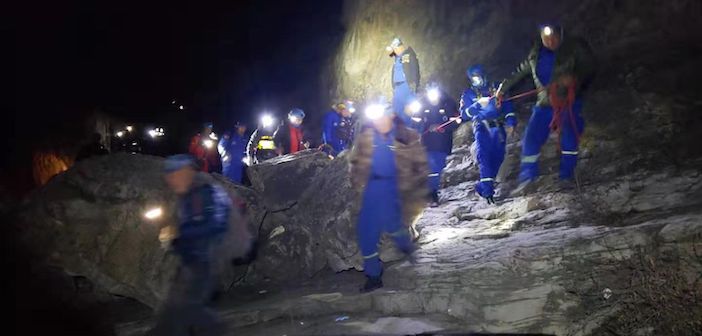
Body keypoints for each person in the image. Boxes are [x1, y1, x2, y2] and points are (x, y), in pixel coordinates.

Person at [498, 24, 596, 193]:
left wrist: (574, 78)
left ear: (560, 36)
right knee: (530, 140)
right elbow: (518, 73)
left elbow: (589, 67)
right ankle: (528, 179)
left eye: (553, 38)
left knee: (569, 139)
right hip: (544, 104)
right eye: (545, 38)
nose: (549, 42)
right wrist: (502, 89)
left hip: (568, 102)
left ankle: (567, 176)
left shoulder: (574, 49)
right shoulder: (535, 55)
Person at [349, 104, 428, 293]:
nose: (378, 122)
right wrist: (354, 178)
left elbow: (420, 163)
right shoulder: (367, 137)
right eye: (375, 118)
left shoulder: (405, 135)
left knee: (392, 224)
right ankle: (373, 276)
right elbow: (356, 159)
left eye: (382, 117)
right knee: (365, 230)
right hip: (372, 187)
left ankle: (406, 246)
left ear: (391, 116)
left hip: (394, 187)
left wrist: (419, 188)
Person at [151, 154, 231, 336]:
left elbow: (215, 224)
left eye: (173, 175)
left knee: (189, 310)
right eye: (168, 176)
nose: (170, 181)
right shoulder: (187, 196)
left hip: (205, 261)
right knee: (179, 310)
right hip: (191, 261)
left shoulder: (205, 193)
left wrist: (179, 236)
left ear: (186, 172)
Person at [460, 65, 517, 204]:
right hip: (481, 127)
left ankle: (482, 186)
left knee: (498, 156)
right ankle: (487, 191)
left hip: (498, 126)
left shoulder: (496, 88)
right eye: (473, 78)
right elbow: (464, 114)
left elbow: (508, 106)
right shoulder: (468, 94)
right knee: (484, 157)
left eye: (478, 77)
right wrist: (477, 106)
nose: (476, 80)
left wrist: (511, 122)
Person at [415, 87, 459, 207]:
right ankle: (431, 193)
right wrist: (425, 128)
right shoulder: (422, 104)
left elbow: (456, 121)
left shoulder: (448, 103)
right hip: (427, 142)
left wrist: (443, 128)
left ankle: (431, 190)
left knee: (437, 167)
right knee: (430, 167)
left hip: (442, 143)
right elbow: (415, 121)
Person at [387, 37, 420, 127]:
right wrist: (394, 87)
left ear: (400, 47)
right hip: (398, 88)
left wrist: (413, 87)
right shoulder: (397, 59)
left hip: (406, 87)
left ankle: (406, 135)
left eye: (395, 49)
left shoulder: (409, 55)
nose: (395, 51)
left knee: (406, 113)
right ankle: (397, 135)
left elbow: (415, 71)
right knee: (396, 113)